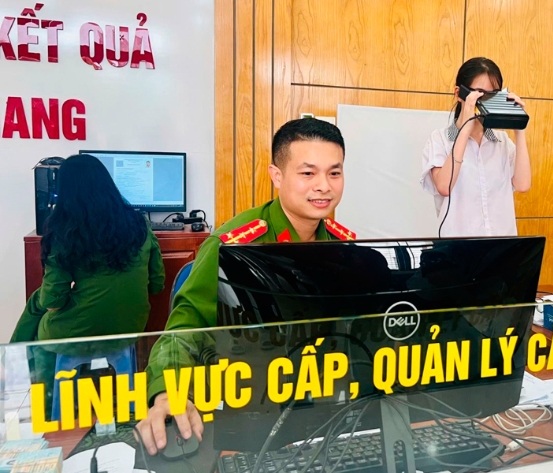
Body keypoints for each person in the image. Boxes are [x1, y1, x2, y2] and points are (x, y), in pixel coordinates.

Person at [136, 118, 355, 455]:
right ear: (277, 176)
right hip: (247, 404)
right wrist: (168, 393)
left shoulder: (343, 247)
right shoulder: (235, 246)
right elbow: (185, 326)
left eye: (334, 173)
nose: (323, 186)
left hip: (320, 402)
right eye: (308, 173)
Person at [11, 154, 165, 414]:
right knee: (39, 304)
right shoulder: (140, 223)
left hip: (82, 331)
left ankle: (44, 407)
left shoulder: (64, 231)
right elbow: (157, 283)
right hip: (131, 327)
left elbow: (53, 299)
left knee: (38, 315)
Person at [421, 57, 532, 237]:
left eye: (493, 95)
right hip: (458, 247)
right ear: (459, 93)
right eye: (480, 93)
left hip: (500, 245)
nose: (485, 101)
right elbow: (444, 186)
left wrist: (519, 128)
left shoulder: (502, 142)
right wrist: (466, 127)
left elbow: (522, 184)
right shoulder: (440, 139)